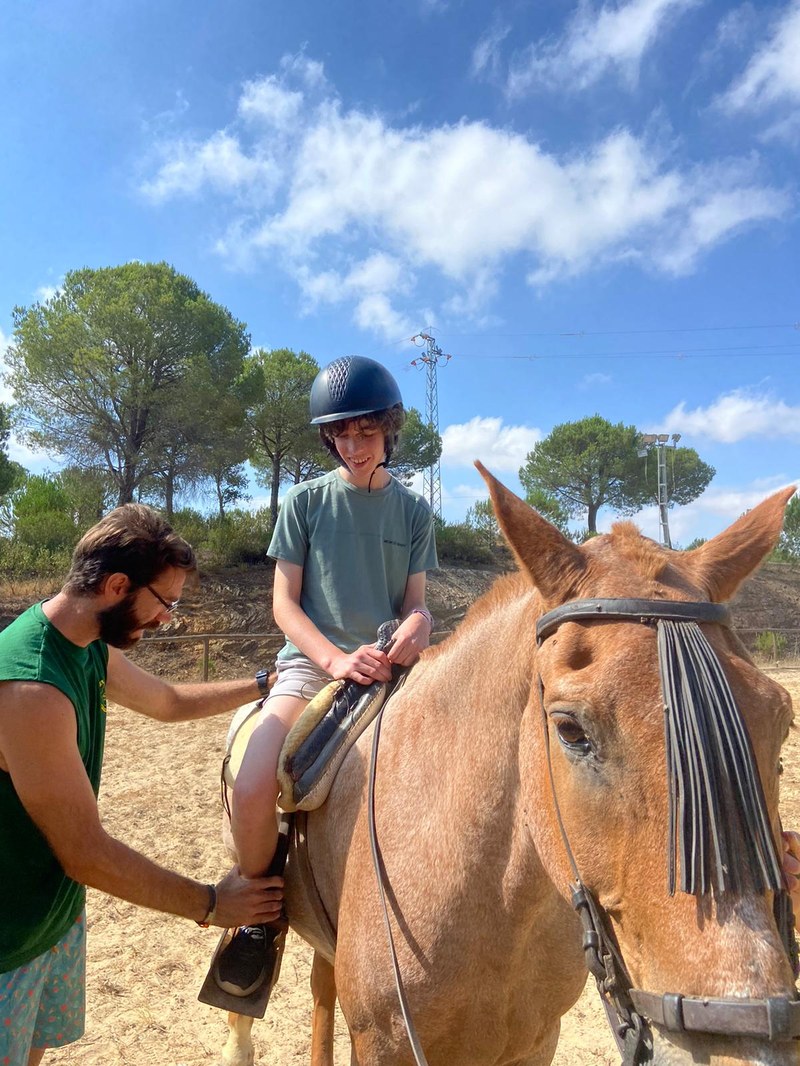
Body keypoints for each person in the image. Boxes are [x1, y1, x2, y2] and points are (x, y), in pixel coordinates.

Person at [0, 504, 283, 1066]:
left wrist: (265, 684)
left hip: (51, 921)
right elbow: (86, 853)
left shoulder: (85, 647)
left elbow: (169, 702)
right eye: (164, 603)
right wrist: (210, 904)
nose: (166, 620)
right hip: (8, 942)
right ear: (117, 586)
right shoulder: (31, 687)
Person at [213, 355, 438, 998]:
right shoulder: (306, 503)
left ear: (388, 431)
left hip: (393, 672)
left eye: (366, 432)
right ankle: (259, 921)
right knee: (255, 785)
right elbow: (284, 604)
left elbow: (416, 602)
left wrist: (418, 624)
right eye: (341, 434)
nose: (353, 445)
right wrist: (336, 661)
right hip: (311, 671)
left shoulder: (414, 512)